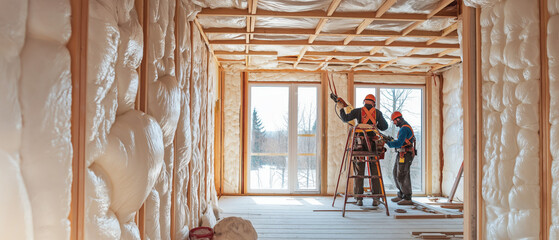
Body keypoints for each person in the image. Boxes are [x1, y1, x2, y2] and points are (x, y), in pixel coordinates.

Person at [338, 94, 388, 206]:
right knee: (374, 170)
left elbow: (345, 119)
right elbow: (384, 127)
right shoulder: (378, 113)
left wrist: (341, 108)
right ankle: (376, 198)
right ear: (373, 103)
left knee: (359, 170)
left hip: (360, 144)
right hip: (373, 145)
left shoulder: (358, 111)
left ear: (364, 102)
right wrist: (376, 124)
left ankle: (359, 198)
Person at [386, 111, 416, 205]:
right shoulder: (403, 128)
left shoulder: (404, 129)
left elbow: (399, 143)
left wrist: (388, 143)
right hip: (401, 153)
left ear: (398, 119)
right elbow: (401, 141)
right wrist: (391, 140)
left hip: (406, 154)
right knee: (396, 173)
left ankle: (407, 197)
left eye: (394, 121)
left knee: (402, 175)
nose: (394, 123)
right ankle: (401, 194)